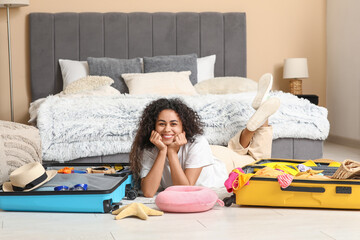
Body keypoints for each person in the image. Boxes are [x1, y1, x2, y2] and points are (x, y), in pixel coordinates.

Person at [130, 73, 280, 197]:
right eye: (161, 124)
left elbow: (185, 189)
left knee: (258, 161)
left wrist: (171, 153)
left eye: (173, 124)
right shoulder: (150, 147)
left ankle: (259, 120)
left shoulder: (197, 142)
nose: (167, 129)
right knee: (236, 149)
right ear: (153, 126)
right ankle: (255, 119)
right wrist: (164, 151)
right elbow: (149, 192)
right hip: (207, 156)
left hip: (225, 164)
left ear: (184, 127)